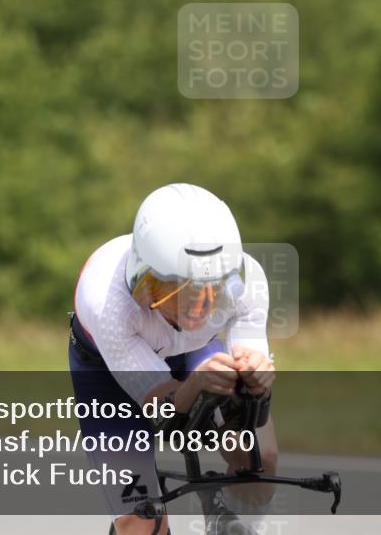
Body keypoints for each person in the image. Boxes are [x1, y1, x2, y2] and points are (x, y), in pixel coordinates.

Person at [69, 184, 277, 535]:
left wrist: (256, 382)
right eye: (176, 289)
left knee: (260, 459)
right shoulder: (110, 306)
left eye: (212, 288)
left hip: (195, 354)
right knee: (141, 523)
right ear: (144, 278)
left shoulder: (247, 283)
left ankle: (229, 519)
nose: (197, 307)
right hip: (106, 372)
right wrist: (195, 385)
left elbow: (251, 390)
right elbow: (163, 412)